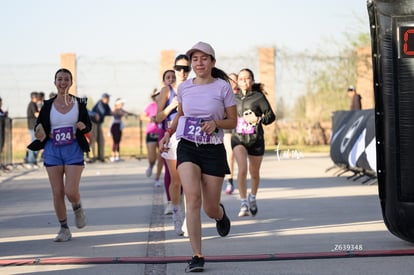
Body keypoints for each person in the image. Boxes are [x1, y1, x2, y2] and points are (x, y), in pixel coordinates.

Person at [159, 41, 237, 272]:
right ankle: (197, 255)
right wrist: (168, 133)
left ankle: (220, 215)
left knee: (209, 207)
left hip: (212, 149)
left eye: (204, 58)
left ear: (213, 62)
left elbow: (232, 121)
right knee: (192, 198)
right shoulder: (184, 87)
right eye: (195, 59)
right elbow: (181, 115)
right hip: (187, 146)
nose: (199, 63)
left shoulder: (223, 87)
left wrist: (216, 123)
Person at [27, 68, 92, 242]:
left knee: (71, 191)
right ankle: (64, 229)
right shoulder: (47, 105)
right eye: (59, 79)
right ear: (54, 82)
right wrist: (41, 132)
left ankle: (77, 207)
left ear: (71, 82)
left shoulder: (79, 103)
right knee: (58, 192)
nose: (63, 82)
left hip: (73, 148)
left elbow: (88, 125)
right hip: (52, 149)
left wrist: (82, 127)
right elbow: (39, 126)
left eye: (66, 79)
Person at [231, 68, 276, 217]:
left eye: (247, 78)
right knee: (242, 169)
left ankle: (253, 197)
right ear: (237, 81)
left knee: (254, 173)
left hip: (256, 139)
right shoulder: (232, 98)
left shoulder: (258, 97)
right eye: (241, 78)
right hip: (238, 139)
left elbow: (271, 116)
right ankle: (243, 202)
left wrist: (258, 120)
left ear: (252, 81)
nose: (244, 81)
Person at [156, 55, 190, 233]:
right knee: (176, 182)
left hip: (190, 136)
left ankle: (188, 220)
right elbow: (157, 117)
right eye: (179, 68)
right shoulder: (167, 91)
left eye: (186, 69)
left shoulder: (195, 87)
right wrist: (171, 107)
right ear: (174, 69)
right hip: (172, 136)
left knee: (190, 182)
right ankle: (177, 215)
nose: (183, 72)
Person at [223, 72, 240, 195]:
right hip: (228, 128)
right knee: (230, 153)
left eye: (235, 80)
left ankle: (241, 177)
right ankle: (229, 181)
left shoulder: (242, 95)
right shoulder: (224, 94)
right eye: (231, 80)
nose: (233, 82)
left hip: (241, 129)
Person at [109, 97, 137, 162]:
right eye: (121, 103)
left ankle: (118, 156)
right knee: (115, 141)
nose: (123, 104)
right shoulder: (115, 109)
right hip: (115, 126)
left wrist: (134, 114)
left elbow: (126, 112)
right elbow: (119, 113)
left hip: (119, 126)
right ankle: (113, 156)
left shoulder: (121, 110)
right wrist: (124, 114)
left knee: (118, 141)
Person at [91, 93, 112, 162]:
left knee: (101, 140)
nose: (108, 100)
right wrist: (109, 112)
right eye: (107, 98)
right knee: (93, 139)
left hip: (99, 123)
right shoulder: (100, 104)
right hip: (93, 123)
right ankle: (92, 157)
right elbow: (103, 112)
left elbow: (109, 112)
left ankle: (101, 157)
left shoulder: (106, 105)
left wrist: (113, 112)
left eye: (108, 98)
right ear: (104, 98)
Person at [25, 91, 40, 166]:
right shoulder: (32, 104)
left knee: (37, 142)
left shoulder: (33, 104)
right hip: (32, 126)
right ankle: (30, 160)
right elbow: (36, 114)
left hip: (34, 126)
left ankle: (32, 159)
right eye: (36, 97)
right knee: (34, 142)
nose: (37, 98)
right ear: (34, 97)